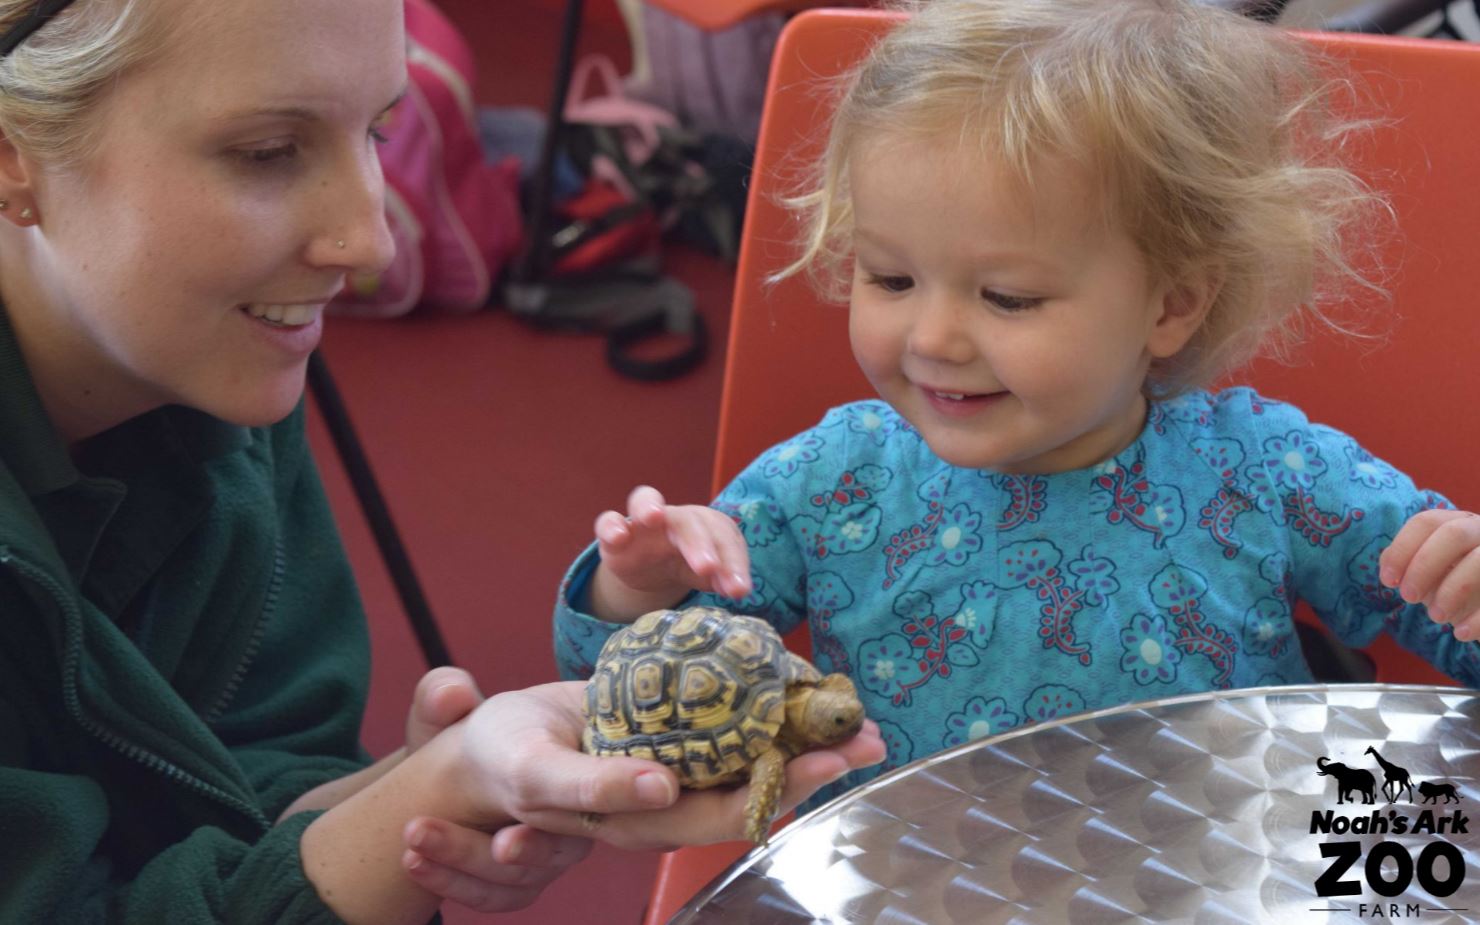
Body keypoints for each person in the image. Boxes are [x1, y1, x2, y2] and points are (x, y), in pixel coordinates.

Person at [0, 0, 886, 922]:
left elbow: (251, 770)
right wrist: (414, 803)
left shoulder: (202, 364)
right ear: (15, 152)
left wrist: (413, 796)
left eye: (381, 130)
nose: (371, 241)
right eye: (268, 151)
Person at [554, 0, 1480, 813]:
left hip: (1214, 867)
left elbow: (1455, 633)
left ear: (1171, 303)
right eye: (891, 276)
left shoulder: (1272, 473)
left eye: (1008, 297)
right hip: (899, 878)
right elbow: (623, 695)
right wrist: (634, 589)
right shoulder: (830, 482)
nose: (933, 339)